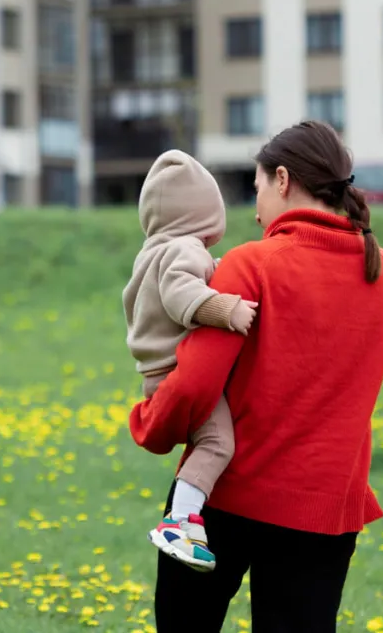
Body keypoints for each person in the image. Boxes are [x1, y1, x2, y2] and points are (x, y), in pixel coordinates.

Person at [128, 121, 383, 633]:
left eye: (256, 190)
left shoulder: (251, 263)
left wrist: (150, 423)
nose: (256, 213)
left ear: (282, 179)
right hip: (326, 508)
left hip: (227, 498)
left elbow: (195, 383)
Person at [122, 150, 260, 572]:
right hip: (176, 372)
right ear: (203, 213)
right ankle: (179, 522)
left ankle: (187, 521)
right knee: (218, 443)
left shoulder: (155, 251)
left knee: (208, 441)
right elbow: (180, 292)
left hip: (155, 373)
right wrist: (226, 309)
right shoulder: (185, 249)